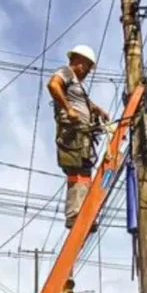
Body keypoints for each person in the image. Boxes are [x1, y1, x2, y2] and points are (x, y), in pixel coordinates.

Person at [47, 44, 110, 229]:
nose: (88, 72)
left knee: (84, 172)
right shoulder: (66, 72)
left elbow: (84, 101)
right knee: (76, 171)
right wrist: (68, 109)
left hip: (82, 133)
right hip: (72, 131)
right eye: (88, 67)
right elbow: (53, 85)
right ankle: (74, 215)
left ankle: (83, 212)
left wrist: (97, 110)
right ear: (80, 62)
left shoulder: (77, 84)